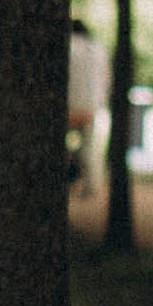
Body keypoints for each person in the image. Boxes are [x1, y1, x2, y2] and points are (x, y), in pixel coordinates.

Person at [66, 15, 109, 192]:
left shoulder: (70, 46)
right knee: (89, 148)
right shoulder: (98, 49)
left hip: (69, 105)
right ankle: (91, 186)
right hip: (91, 106)